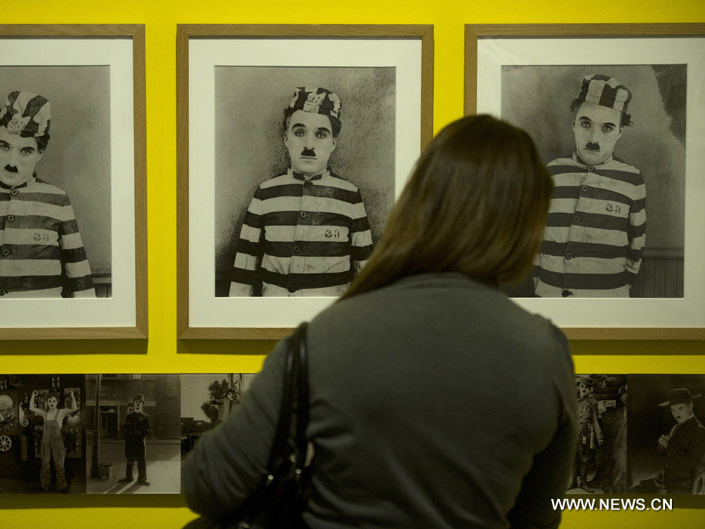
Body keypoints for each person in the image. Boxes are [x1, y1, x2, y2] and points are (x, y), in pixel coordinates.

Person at [184, 115, 577, 528]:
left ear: (417, 206)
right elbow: (540, 519)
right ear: (525, 226)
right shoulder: (545, 352)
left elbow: (207, 485)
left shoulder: (324, 338)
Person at [0, 90, 96, 299]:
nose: (12, 163)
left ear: (40, 154)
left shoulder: (58, 201)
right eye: (4, 146)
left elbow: (80, 278)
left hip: (43, 325)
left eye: (26, 151)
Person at [228, 86, 373, 297]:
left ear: (333, 143)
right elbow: (245, 265)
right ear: (286, 139)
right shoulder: (265, 194)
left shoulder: (349, 196)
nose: (309, 145)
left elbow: (366, 269)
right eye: (299, 132)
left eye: (321, 134)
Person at [534, 74, 646, 297]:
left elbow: (637, 243)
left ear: (619, 132)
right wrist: (542, 285)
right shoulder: (551, 172)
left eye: (607, 128)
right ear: (574, 124)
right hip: (551, 295)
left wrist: (619, 290)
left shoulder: (632, 179)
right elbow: (535, 236)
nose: (594, 137)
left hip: (608, 300)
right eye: (586, 123)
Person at [630, 388, 705, 493]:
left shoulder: (699, 431)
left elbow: (690, 462)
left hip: (683, 484)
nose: (676, 414)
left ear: (690, 406)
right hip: (665, 478)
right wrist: (662, 444)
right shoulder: (677, 427)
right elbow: (663, 452)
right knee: (635, 489)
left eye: (680, 408)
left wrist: (668, 445)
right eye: (673, 410)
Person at [30, 389, 78, 491]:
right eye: (50, 401)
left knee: (59, 464)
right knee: (45, 464)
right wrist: (33, 396)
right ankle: (45, 484)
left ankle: (61, 484)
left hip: (57, 441)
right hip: (46, 441)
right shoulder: (44, 413)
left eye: (54, 401)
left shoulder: (61, 412)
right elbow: (31, 408)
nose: (51, 403)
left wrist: (72, 396)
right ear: (47, 402)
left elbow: (74, 408)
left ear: (57, 402)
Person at [571, 377, 604, 492]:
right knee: (573, 457)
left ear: (590, 389)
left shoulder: (591, 403)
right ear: (579, 388)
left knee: (585, 458)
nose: (584, 389)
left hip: (587, 433)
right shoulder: (574, 403)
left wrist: (599, 436)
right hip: (575, 432)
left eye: (586, 387)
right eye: (582, 386)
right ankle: (572, 482)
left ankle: (584, 483)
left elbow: (595, 420)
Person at [120, 394, 152, 486]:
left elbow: (149, 430)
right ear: (133, 404)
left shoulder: (145, 416)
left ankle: (142, 479)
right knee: (130, 460)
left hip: (140, 442)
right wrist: (126, 431)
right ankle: (129, 477)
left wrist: (142, 432)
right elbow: (124, 427)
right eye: (136, 402)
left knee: (141, 460)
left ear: (142, 404)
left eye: (139, 402)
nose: (137, 404)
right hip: (130, 441)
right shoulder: (129, 416)